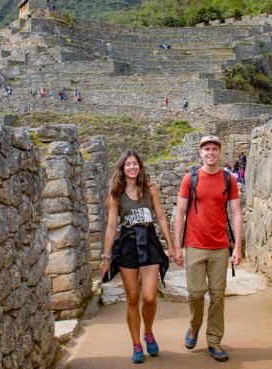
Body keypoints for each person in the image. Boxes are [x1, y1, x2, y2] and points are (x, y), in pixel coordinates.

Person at [172, 135, 242, 362]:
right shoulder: (190, 179)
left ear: (220, 153)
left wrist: (238, 247)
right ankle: (194, 326)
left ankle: (214, 341)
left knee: (218, 296)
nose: (210, 152)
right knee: (194, 293)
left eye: (214, 149)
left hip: (221, 245)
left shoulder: (229, 179)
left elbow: (236, 213)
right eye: (206, 149)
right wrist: (176, 246)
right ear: (200, 153)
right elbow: (179, 213)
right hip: (194, 244)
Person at [100, 150, 173, 364]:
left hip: (149, 241)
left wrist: (172, 246)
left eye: (135, 164)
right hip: (127, 244)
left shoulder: (150, 189)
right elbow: (112, 226)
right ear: (122, 168)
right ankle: (136, 345)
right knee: (132, 298)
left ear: (140, 166)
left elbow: (160, 216)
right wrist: (106, 257)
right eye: (127, 164)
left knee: (149, 297)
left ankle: (148, 332)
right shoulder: (116, 193)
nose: (132, 167)